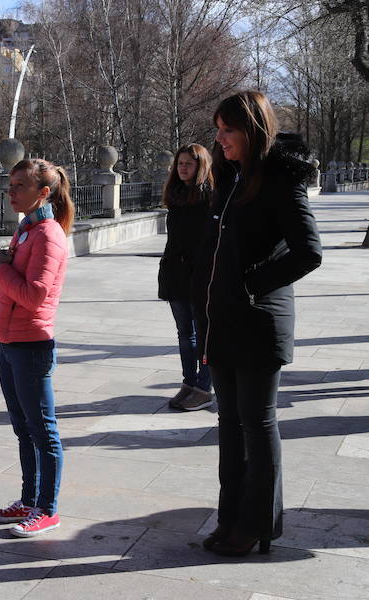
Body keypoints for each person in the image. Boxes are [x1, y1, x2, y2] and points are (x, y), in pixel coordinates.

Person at [193, 91, 322, 556]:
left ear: (252, 130)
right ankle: (231, 519)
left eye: (228, 130)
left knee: (257, 424)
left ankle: (257, 525)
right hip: (223, 321)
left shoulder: (280, 181)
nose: (220, 138)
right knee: (230, 425)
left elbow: (309, 252)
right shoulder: (230, 178)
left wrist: (252, 283)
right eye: (219, 129)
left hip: (259, 321)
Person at [0, 158, 73, 538]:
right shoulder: (26, 230)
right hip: (10, 340)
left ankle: (47, 509)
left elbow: (34, 296)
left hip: (32, 344)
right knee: (24, 429)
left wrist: (0, 269)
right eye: (11, 183)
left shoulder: (48, 234)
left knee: (43, 432)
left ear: (43, 193)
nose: (11, 191)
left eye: (19, 185)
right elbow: (1, 288)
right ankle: (28, 500)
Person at [157, 144, 214, 411]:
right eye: (180, 163)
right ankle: (189, 383)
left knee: (203, 335)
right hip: (175, 274)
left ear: (201, 166)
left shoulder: (210, 197)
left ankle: (204, 387)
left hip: (199, 275)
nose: (182, 168)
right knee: (184, 334)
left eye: (188, 164)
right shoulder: (175, 194)